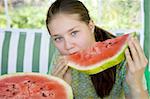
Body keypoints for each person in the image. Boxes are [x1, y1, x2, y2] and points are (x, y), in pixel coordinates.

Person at [46, 0, 149, 98]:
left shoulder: (122, 57)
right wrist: (59, 90)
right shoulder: (60, 58)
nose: (68, 46)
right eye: (58, 38)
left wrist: (136, 85)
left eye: (74, 33)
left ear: (91, 26)